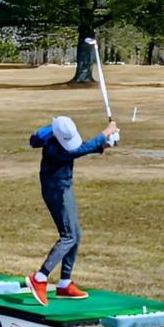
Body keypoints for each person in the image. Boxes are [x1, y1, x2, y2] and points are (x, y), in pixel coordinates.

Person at [26, 115, 118, 306]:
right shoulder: (54, 149)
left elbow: (78, 148)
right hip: (57, 190)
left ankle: (65, 283)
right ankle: (40, 277)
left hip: (62, 187)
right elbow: (78, 150)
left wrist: (104, 145)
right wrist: (104, 134)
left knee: (75, 234)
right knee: (68, 236)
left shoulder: (55, 136)